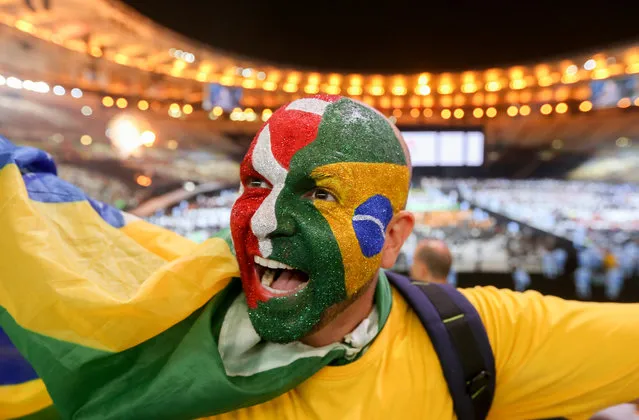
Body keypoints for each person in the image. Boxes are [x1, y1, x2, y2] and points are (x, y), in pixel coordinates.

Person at [1, 95, 639, 420]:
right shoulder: (155, 316)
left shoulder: (478, 340)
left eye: (322, 192)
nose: (267, 220)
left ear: (394, 238)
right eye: (256, 184)